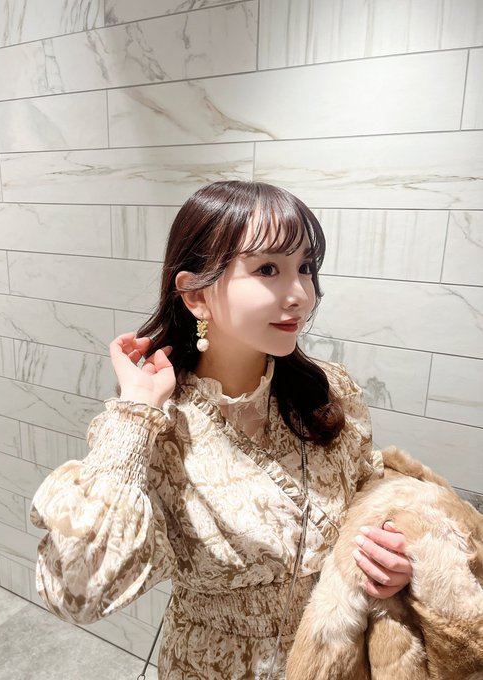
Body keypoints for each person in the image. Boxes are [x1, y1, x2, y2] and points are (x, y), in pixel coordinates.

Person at [30, 180, 412, 679]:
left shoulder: (328, 390)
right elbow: (75, 590)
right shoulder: (160, 429)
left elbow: (369, 494)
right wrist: (134, 413)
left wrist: (390, 563)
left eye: (306, 267)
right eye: (268, 269)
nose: (300, 295)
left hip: (337, 658)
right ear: (195, 295)